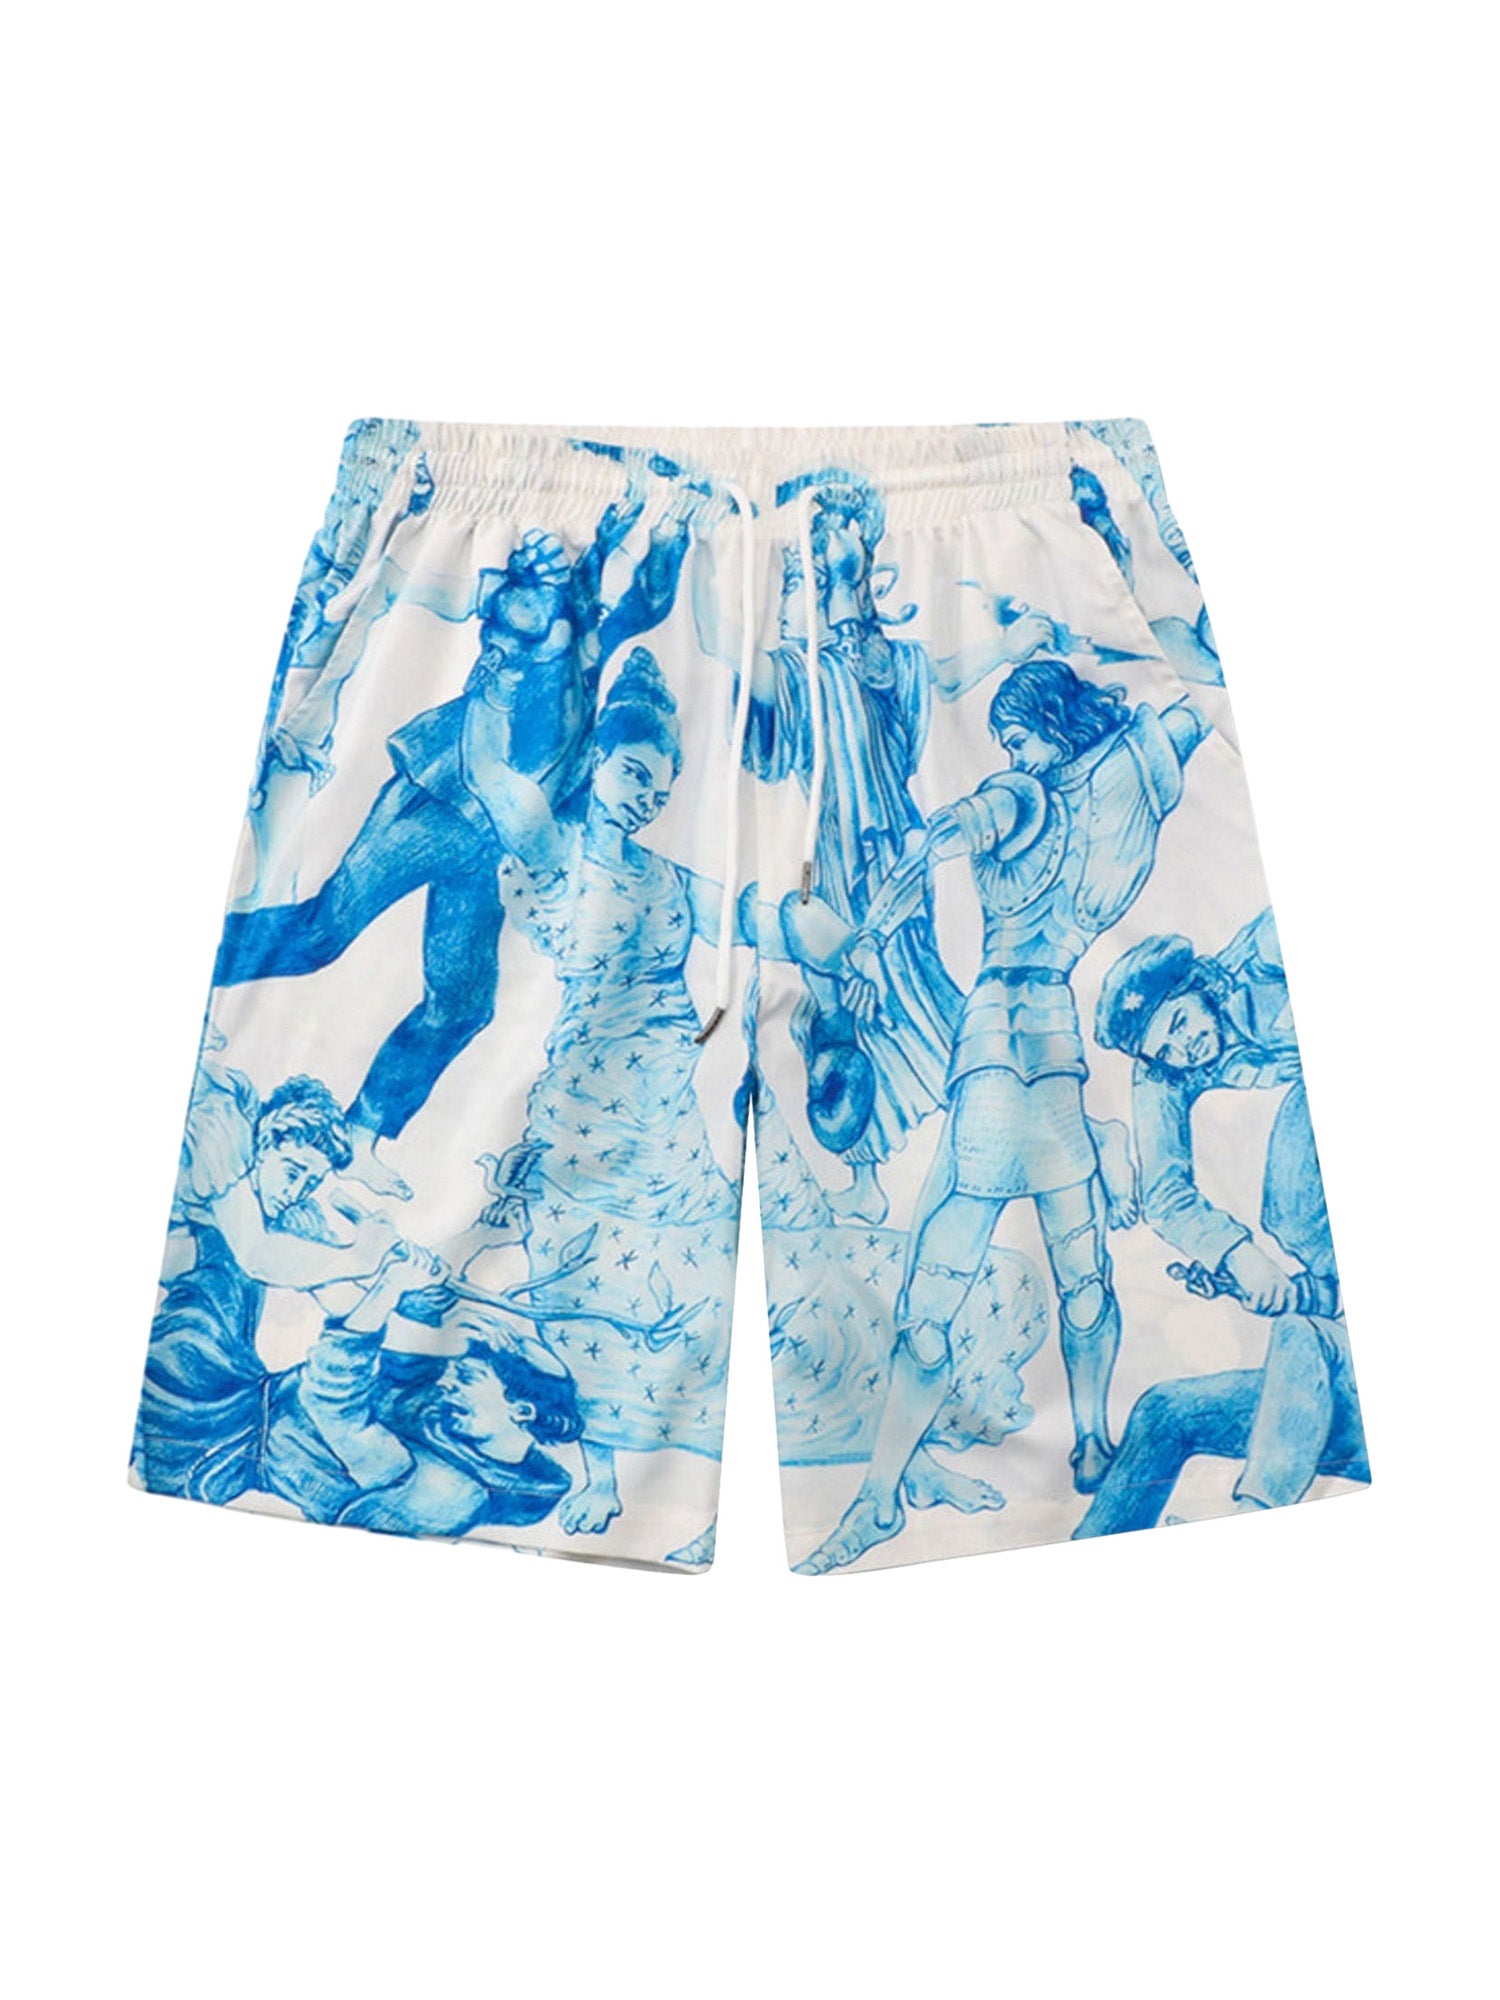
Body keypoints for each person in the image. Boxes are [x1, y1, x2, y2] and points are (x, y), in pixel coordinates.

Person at [797, 659, 1206, 1572]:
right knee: (1083, 1273)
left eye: (1017, 736)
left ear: (1049, 725)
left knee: (934, 1293)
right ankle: (1091, 1444)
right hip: (1051, 1047)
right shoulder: (1117, 785)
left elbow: (937, 837)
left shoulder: (1024, 792)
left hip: (998, 1046)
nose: (1010, 754)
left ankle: (880, 1494)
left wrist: (868, 938)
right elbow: (1188, 719)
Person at [213, 481, 697, 1195]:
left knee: (463, 1002)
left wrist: (671, 534)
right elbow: (490, 728)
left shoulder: (593, 650)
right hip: (436, 812)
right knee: (323, 932)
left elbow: (645, 604)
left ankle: (363, 1132)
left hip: (492, 855)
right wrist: (549, 571)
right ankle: (217, 988)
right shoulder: (531, 635)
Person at [1075, 910, 1369, 1532]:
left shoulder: (1265, 956)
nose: (1184, 1048)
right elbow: (1164, 1194)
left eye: (1182, 1023)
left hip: (1346, 1394)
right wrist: (1243, 1265)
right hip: (1325, 1374)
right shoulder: (1162, 1070)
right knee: (1161, 1412)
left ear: (1202, 986)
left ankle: (1251, 1518)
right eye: (1166, 1048)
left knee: (1289, 1209)